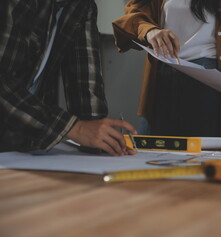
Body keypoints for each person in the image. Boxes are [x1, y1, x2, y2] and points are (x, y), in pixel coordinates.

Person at [112, 0, 221, 137]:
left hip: (210, 82)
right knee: (148, 159)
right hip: (162, 74)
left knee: (200, 163)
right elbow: (133, 13)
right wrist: (149, 31)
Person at [0, 0, 136, 156]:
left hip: (23, 149)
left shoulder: (83, 6)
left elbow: (85, 86)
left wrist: (102, 140)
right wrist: (74, 128)